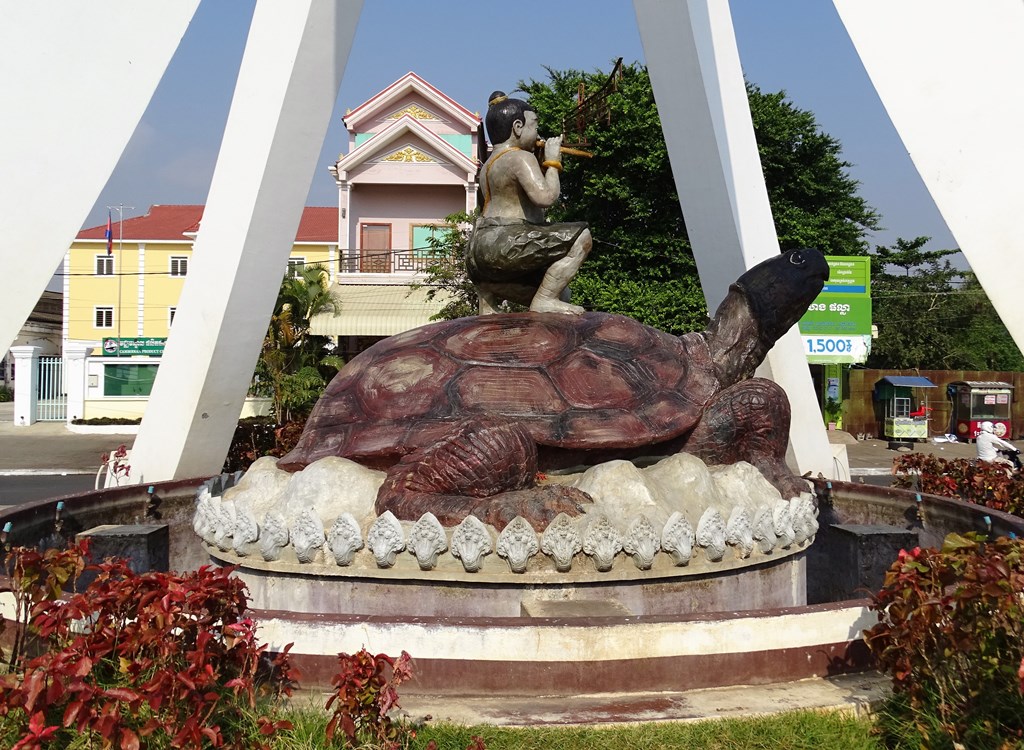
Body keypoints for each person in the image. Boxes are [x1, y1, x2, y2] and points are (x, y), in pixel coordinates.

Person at [466, 91, 593, 315]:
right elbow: (545, 198)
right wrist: (553, 162)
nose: (537, 133)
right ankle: (544, 299)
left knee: (563, 293)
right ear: (517, 127)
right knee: (582, 237)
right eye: (534, 126)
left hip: (479, 254)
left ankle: (488, 295)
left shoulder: (488, 165)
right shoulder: (520, 157)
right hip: (504, 243)